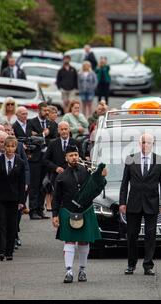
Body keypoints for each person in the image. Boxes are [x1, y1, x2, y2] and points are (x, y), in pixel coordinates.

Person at [52, 144, 107, 283]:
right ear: (66, 158)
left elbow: (95, 186)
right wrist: (55, 215)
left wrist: (102, 176)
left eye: (76, 155)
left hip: (86, 210)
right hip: (67, 211)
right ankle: (69, 271)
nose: (74, 157)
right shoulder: (61, 177)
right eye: (71, 155)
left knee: (84, 241)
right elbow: (56, 198)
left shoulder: (86, 171)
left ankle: (82, 270)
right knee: (69, 241)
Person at [119, 134, 161, 276]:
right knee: (132, 235)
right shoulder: (131, 159)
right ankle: (131, 264)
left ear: (153, 144)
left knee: (150, 236)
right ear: (139, 144)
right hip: (133, 203)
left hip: (152, 203)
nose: (145, 145)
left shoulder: (160, 160)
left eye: (148, 143)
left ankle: (148, 265)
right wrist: (122, 202)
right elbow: (124, 183)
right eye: (143, 142)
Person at [0, 136, 26, 261]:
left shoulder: (20, 162)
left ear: (16, 147)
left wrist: (22, 201)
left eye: (12, 146)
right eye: (8, 146)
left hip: (14, 199)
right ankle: (1, 250)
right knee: (1, 223)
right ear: (4, 147)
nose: (10, 149)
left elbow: (22, 183)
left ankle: (9, 251)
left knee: (12, 225)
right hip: (0, 197)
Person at [28, 102, 57, 220]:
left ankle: (40, 210)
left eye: (48, 111)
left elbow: (54, 140)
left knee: (44, 185)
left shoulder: (52, 124)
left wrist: (39, 137)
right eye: (44, 110)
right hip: (35, 158)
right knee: (34, 185)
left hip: (47, 158)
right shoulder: (31, 122)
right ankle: (33, 210)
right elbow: (30, 139)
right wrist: (43, 135)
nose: (47, 113)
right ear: (39, 110)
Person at [44, 121, 77, 213]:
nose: (64, 131)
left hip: (73, 176)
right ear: (58, 131)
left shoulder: (75, 142)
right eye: (61, 129)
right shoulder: (53, 143)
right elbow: (45, 160)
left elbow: (81, 158)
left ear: (69, 130)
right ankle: (57, 216)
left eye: (65, 129)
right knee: (58, 198)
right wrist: (56, 168)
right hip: (57, 177)